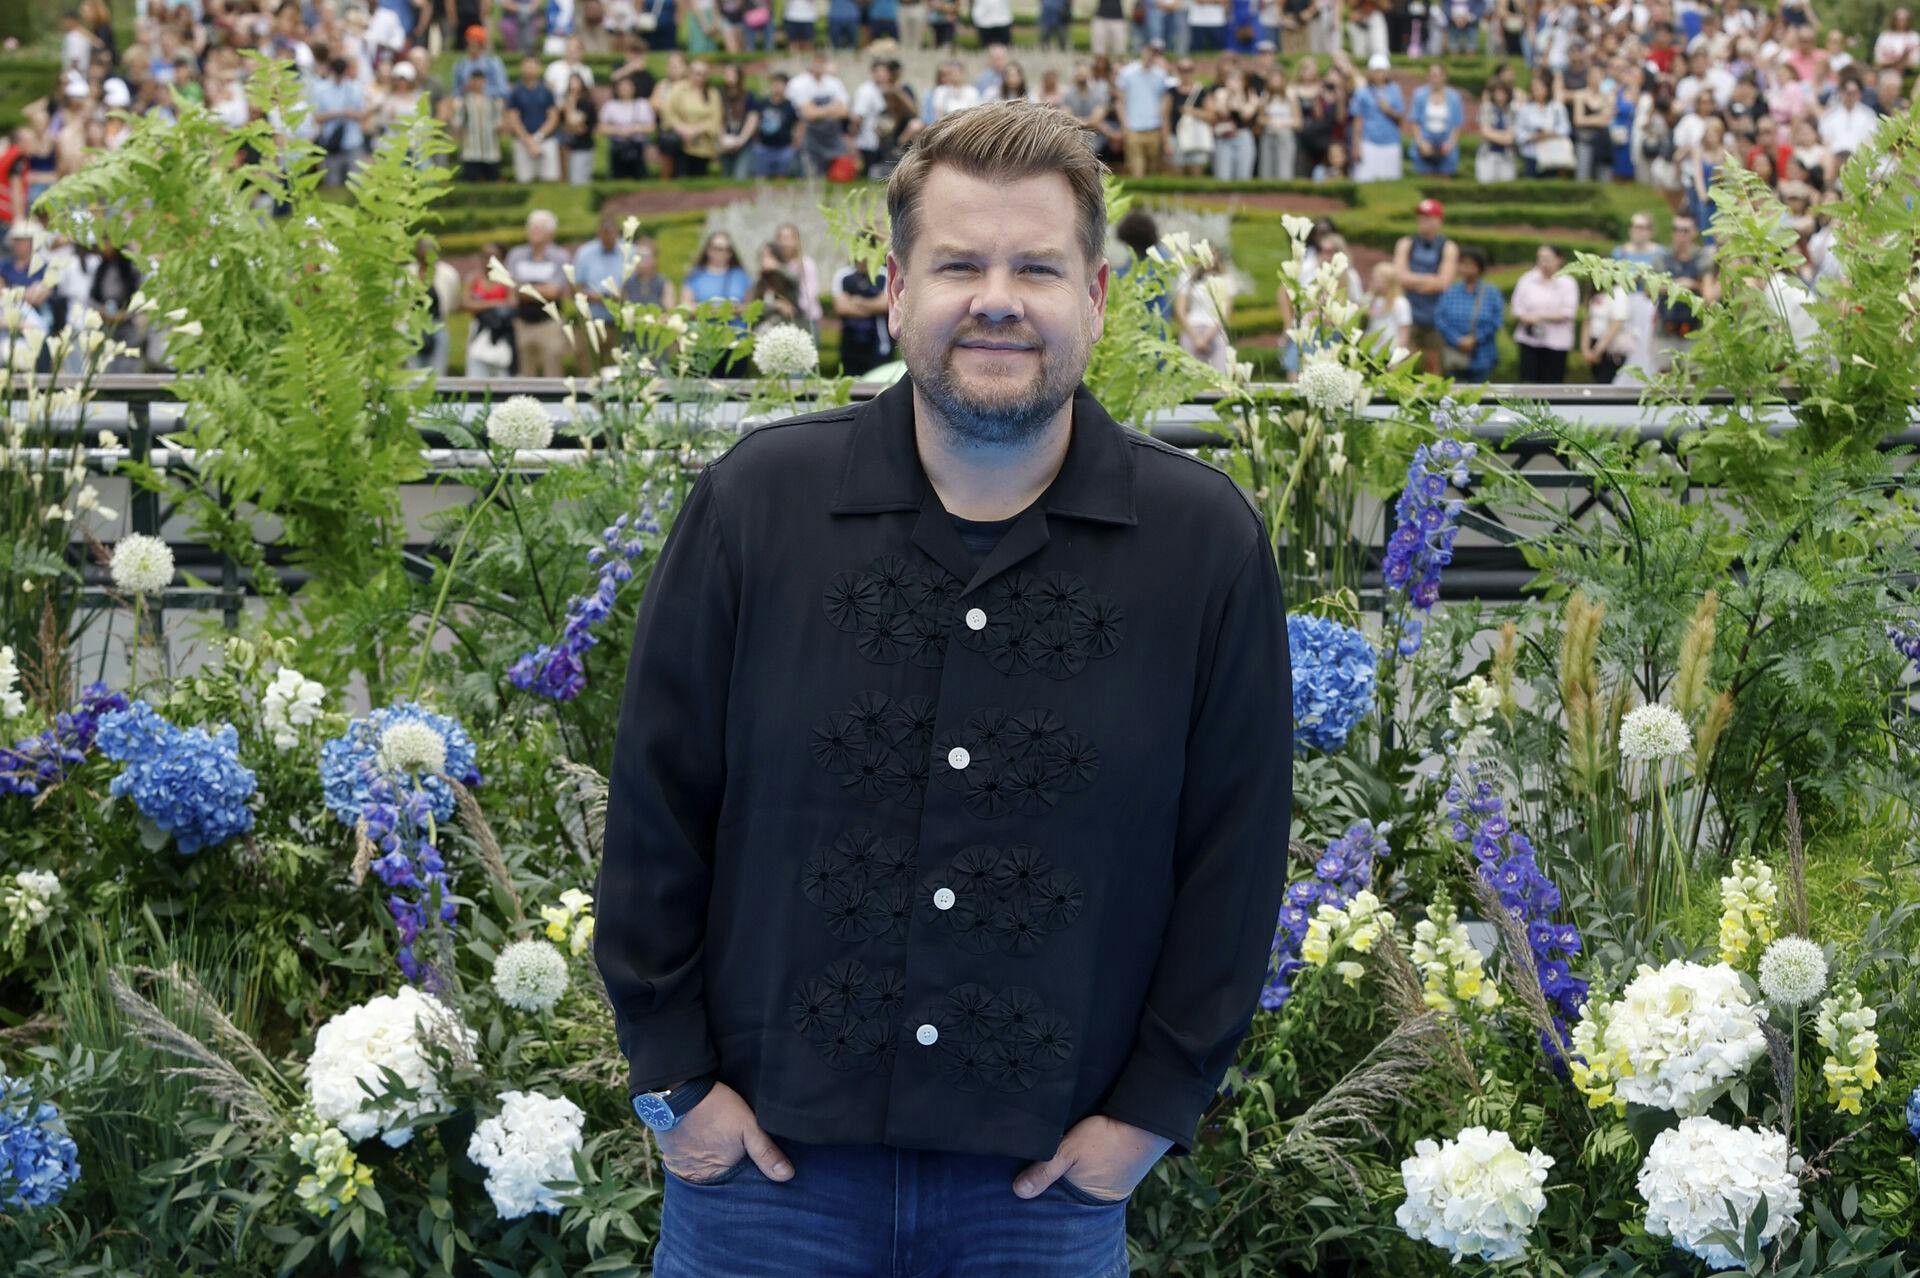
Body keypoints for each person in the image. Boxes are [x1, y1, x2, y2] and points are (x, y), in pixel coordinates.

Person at [597, 99, 1290, 1276]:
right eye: (960, 264)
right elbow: (657, 805)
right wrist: (675, 1084)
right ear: (897, 289)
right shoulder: (757, 506)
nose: (997, 300)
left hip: (1042, 1198)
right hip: (765, 1186)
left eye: (1038, 268)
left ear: (1098, 298)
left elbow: (1236, 855)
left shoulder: (1203, 545)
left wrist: (1150, 1115)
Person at [1392, 197, 1458, 376]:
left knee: (1433, 366)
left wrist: (1413, 281)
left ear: (1439, 221)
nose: (1423, 222)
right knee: (1401, 361)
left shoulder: (1448, 247)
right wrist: (1430, 280)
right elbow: (1399, 277)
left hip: (1435, 315)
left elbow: (1444, 282)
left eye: (1428, 218)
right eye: (1421, 217)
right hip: (1408, 313)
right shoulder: (1406, 243)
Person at [506, 211, 573, 378]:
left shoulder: (560, 256)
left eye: (539, 228)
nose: (534, 231)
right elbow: (512, 289)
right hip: (522, 323)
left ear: (551, 232)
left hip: (549, 324)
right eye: (532, 227)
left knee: (553, 372)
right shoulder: (516, 254)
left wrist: (524, 289)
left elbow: (555, 291)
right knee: (525, 373)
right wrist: (542, 289)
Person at [1652, 213, 1714, 372]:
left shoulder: (1702, 258)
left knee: (1693, 376)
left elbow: (1708, 295)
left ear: (1694, 232)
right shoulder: (1662, 258)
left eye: (1685, 230)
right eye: (1676, 229)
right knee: (1664, 376)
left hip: (1695, 330)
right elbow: (1649, 290)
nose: (1680, 234)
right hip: (1665, 329)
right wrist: (1678, 286)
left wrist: (1692, 284)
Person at [1510, 242, 1578, 383]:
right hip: (1529, 340)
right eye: (1540, 258)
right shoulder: (1527, 279)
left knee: (1551, 384)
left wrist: (1540, 316)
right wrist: (1526, 318)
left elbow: (1568, 312)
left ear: (1559, 260)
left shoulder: (1568, 283)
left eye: (1547, 258)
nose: (1543, 263)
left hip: (1556, 343)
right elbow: (1516, 307)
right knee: (1528, 383)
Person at [1434, 245, 1503, 383]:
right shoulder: (1451, 292)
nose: (1464, 268)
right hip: (1455, 355)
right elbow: (1439, 318)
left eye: (1469, 264)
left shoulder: (1491, 293)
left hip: (1483, 355)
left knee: (1481, 392)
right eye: (1462, 264)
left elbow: (1496, 321)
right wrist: (1457, 339)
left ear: (1479, 267)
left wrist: (1475, 339)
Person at [829, 238, 890, 375]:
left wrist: (858, 302)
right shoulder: (843, 275)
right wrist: (872, 306)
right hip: (849, 343)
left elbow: (885, 305)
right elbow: (841, 307)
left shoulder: (884, 274)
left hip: (879, 342)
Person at [788, 52, 851, 179]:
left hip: (832, 134)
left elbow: (844, 111)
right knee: (811, 173)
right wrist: (832, 108)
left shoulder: (834, 83)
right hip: (808, 134)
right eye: (816, 62)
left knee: (839, 172)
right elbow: (808, 114)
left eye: (822, 62)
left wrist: (817, 110)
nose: (819, 66)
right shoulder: (798, 83)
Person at [463, 240, 518, 378]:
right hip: (479, 328)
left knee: (502, 371)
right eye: (484, 256)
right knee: (476, 370)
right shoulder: (474, 278)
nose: (487, 260)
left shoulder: (507, 279)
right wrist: (495, 303)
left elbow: (512, 304)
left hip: (501, 330)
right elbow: (467, 303)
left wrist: (481, 305)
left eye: (492, 257)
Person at [1117, 45, 1173, 178]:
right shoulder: (1127, 73)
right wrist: (1124, 125)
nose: (1148, 56)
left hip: (1154, 128)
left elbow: (1165, 104)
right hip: (1133, 128)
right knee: (1137, 172)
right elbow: (1120, 101)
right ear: (1142, 52)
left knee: (1154, 172)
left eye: (1152, 53)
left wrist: (1164, 133)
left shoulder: (1161, 75)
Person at [661, 57, 723, 177]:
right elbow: (668, 111)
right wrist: (682, 129)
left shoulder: (713, 93)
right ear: (689, 73)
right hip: (680, 141)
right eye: (696, 73)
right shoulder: (678, 88)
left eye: (703, 74)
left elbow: (715, 119)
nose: (699, 77)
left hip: (703, 143)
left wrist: (695, 131)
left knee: (698, 178)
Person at [1174, 250, 1234, 372]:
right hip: (1191, 330)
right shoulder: (1187, 277)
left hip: (1215, 332)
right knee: (1190, 376)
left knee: (1220, 376)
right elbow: (1180, 310)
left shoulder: (1226, 279)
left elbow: (1225, 313)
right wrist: (1196, 338)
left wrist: (1205, 338)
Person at [1349, 53, 1405, 183]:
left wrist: (1388, 110)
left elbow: (1400, 118)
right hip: (1368, 141)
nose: (1378, 75)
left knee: (1391, 181)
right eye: (1376, 71)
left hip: (1391, 141)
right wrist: (1356, 146)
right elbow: (1358, 120)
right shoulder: (1362, 92)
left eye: (1381, 71)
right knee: (1365, 179)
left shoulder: (1395, 90)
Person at [506, 55, 561, 182]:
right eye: (527, 65)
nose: (530, 68)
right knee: (524, 180)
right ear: (522, 67)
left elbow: (553, 117)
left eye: (533, 65)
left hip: (546, 140)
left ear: (539, 68)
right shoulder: (515, 91)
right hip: (522, 142)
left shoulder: (547, 90)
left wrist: (537, 138)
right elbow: (513, 118)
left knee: (550, 180)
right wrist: (528, 141)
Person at [1408, 62, 1463, 176]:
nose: (1434, 79)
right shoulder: (1419, 95)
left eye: (1437, 76)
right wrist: (1421, 143)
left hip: (1446, 143)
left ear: (1444, 77)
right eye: (1432, 76)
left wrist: (1450, 144)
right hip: (1425, 142)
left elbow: (1457, 124)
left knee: (1445, 176)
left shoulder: (1454, 97)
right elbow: (1414, 121)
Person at [771, 222, 824, 334]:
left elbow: (809, 295)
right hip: (783, 322)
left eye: (788, 238)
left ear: (797, 241)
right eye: (781, 239)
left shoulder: (806, 264)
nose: (785, 243)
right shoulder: (776, 265)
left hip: (806, 320)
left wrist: (792, 309)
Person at [600, 74, 657, 179]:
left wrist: (635, 129)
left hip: (638, 144)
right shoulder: (610, 105)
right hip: (617, 145)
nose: (625, 89)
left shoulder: (642, 104)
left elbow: (652, 127)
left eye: (628, 86)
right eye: (622, 86)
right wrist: (619, 131)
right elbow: (602, 128)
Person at [1207, 65, 1259, 180]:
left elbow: (1246, 115)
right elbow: (1223, 112)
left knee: (1243, 176)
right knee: (1223, 176)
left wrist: (1239, 96)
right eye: (1232, 79)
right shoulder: (1220, 93)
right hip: (1224, 137)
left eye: (1238, 80)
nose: (1235, 83)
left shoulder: (1251, 95)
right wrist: (1229, 96)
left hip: (1243, 136)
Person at [1580, 280, 1635, 383]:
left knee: (1603, 381)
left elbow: (1616, 324)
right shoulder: (1595, 291)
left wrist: (1597, 351)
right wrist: (1585, 349)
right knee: (1597, 381)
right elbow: (1587, 320)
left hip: (1611, 349)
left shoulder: (1618, 292)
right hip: (1594, 343)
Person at [1515, 75, 1571, 176]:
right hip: (1531, 153)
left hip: (1553, 153)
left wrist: (1550, 134)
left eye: (1540, 88)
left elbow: (1565, 128)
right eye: (1535, 88)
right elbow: (1519, 133)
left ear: (1547, 89)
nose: (1538, 91)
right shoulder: (1525, 109)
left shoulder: (1557, 107)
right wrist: (1534, 136)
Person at [682, 230, 751, 309]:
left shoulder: (741, 276)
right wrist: (708, 309)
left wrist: (735, 308)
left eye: (727, 249)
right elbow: (686, 306)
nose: (722, 253)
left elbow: (750, 306)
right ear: (708, 250)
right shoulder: (695, 276)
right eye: (717, 249)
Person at [752, 70, 801, 177]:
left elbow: (798, 123)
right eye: (775, 84)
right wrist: (756, 139)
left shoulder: (791, 105)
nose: (777, 87)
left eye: (780, 84)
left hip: (784, 148)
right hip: (764, 146)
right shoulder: (763, 103)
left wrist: (796, 142)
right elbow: (754, 121)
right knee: (761, 177)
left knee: (782, 177)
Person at [1258, 61, 1298, 178]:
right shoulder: (1265, 95)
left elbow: (1298, 122)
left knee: (1284, 172)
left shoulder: (1290, 94)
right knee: (1266, 172)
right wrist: (1270, 121)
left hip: (1285, 136)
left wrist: (1282, 123)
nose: (1275, 81)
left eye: (1277, 78)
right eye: (1272, 78)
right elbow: (1260, 119)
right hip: (1268, 135)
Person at [559, 71, 599, 184]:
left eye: (576, 81)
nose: (573, 85)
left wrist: (571, 102)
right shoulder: (565, 102)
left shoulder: (587, 103)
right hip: (567, 148)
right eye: (571, 82)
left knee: (579, 181)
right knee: (568, 181)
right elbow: (565, 125)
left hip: (583, 147)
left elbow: (573, 122)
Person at [1363, 261, 1411, 354]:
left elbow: (1404, 330)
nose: (1375, 281)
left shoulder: (1400, 302)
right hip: (1370, 348)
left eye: (1379, 279)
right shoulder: (1371, 298)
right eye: (1374, 278)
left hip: (1390, 349)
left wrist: (1399, 352)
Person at [1475, 79, 1517, 181]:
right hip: (1487, 154)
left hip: (1507, 156)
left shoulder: (1512, 111)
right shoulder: (1486, 108)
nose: (1500, 95)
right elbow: (1485, 132)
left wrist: (1493, 133)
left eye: (1503, 92)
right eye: (1497, 91)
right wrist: (1503, 136)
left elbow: (1510, 138)